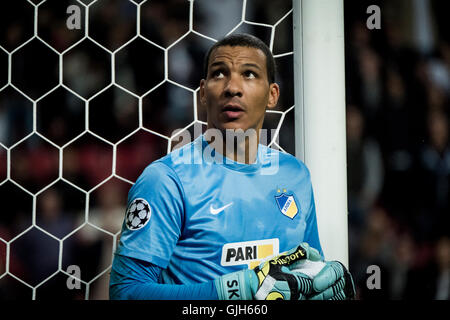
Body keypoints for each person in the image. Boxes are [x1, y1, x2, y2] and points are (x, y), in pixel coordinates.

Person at [109, 33, 355, 300]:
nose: (232, 87)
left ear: (272, 95)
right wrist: (230, 292)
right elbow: (126, 292)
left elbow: (309, 270)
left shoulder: (295, 175)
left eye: (249, 74)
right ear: (203, 93)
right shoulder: (166, 180)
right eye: (219, 74)